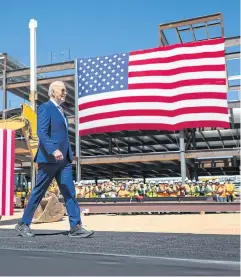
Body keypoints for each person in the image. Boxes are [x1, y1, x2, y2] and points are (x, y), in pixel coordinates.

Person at [15, 81, 94, 238]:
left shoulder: (61, 111)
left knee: (69, 192)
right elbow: (42, 132)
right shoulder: (46, 108)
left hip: (63, 160)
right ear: (52, 92)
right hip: (49, 159)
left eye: (65, 90)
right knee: (39, 191)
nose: (65, 92)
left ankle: (76, 226)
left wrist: (67, 154)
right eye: (62, 90)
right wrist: (53, 150)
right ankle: (23, 224)